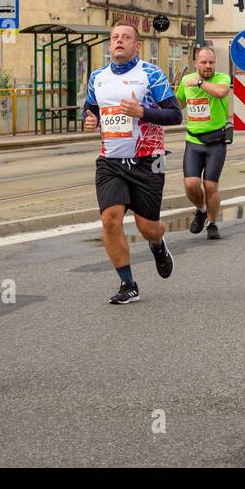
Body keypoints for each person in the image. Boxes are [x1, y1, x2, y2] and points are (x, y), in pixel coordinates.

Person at [83, 23, 183, 305]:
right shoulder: (97, 77)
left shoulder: (151, 75)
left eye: (126, 38)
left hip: (148, 161)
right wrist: (89, 118)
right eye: (114, 37)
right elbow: (91, 108)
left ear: (136, 45)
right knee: (110, 219)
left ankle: (158, 244)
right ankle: (127, 284)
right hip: (110, 161)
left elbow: (175, 115)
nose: (119, 41)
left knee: (147, 227)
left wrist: (142, 111)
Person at [177, 44, 231, 241]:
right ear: (195, 63)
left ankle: (212, 223)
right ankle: (201, 210)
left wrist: (199, 83)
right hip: (193, 140)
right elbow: (180, 104)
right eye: (204, 62)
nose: (208, 65)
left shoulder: (222, 78)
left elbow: (220, 93)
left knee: (210, 186)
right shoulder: (186, 80)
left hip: (215, 141)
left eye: (211, 62)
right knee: (191, 184)